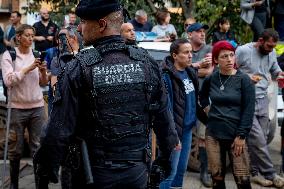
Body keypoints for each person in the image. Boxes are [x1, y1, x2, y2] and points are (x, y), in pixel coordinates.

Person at [34, 0, 179, 189]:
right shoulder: (146, 63)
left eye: (84, 22)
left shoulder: (77, 68)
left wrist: (45, 171)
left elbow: (58, 129)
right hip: (137, 174)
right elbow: (165, 123)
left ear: (102, 25)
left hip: (93, 176)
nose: (79, 28)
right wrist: (162, 165)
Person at [199, 40, 255, 189]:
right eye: (224, 56)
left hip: (236, 135)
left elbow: (249, 110)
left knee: (242, 180)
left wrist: (241, 136)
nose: (229, 59)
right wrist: (207, 109)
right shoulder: (212, 78)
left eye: (231, 55)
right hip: (213, 134)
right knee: (217, 179)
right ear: (216, 60)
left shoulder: (244, 80)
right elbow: (202, 96)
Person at [1, 24, 48, 189]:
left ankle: (41, 185)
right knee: (16, 149)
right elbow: (8, 81)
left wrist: (43, 71)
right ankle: (14, 184)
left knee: (38, 148)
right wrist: (28, 68)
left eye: (32, 35)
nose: (30, 38)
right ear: (19, 37)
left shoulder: (37, 55)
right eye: (27, 35)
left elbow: (43, 83)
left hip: (37, 107)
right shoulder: (9, 55)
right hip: (16, 107)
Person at [236, 28, 284, 188]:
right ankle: (271, 173)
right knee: (258, 139)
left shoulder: (270, 53)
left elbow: (275, 69)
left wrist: (280, 74)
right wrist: (246, 77)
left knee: (260, 139)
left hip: (263, 99)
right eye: (269, 46)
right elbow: (229, 70)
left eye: (273, 47)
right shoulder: (243, 50)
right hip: (246, 100)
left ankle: (255, 173)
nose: (271, 50)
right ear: (261, 41)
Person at [159, 39, 208, 189]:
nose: (190, 56)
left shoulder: (190, 72)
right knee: (169, 173)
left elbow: (194, 102)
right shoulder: (167, 76)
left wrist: (208, 121)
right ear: (175, 55)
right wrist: (173, 136)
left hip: (187, 130)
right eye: (186, 52)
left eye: (191, 52)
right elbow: (166, 109)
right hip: (173, 132)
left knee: (180, 171)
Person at [187, 22, 213, 187]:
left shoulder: (209, 49)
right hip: (185, 100)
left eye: (203, 31)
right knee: (182, 134)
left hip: (203, 101)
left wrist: (188, 69)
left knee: (202, 138)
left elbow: (209, 71)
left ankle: (204, 172)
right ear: (189, 35)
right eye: (198, 32)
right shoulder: (183, 47)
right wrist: (197, 67)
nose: (202, 34)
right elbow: (177, 69)